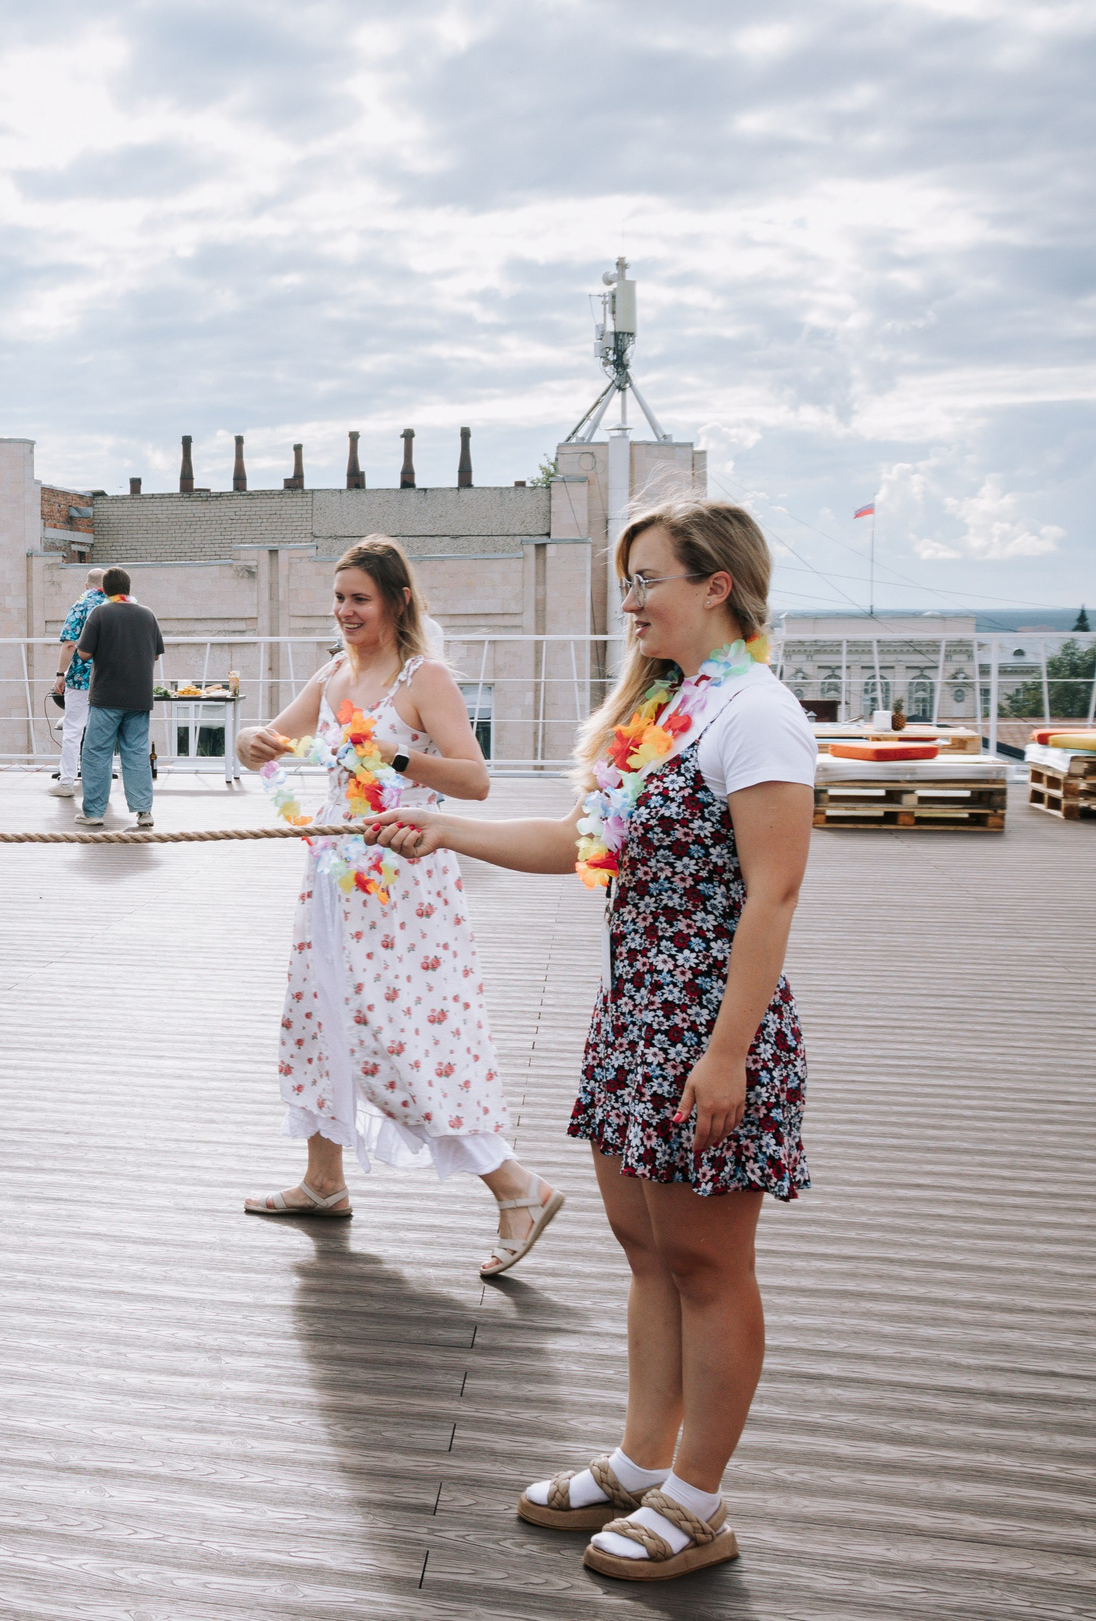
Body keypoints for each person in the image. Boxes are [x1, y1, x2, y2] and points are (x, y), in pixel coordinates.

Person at [367, 500, 812, 1583]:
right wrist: (444, 831)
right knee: (647, 1256)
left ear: (716, 586)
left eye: (647, 579)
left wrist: (725, 1052)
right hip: (630, 1017)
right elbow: (581, 842)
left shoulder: (754, 713)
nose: (628, 602)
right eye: (625, 580)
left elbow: (774, 893)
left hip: (709, 1022)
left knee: (708, 1266)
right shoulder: (663, 709)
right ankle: (637, 1462)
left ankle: (697, 1503)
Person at [238, 538, 561, 1274]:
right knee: (315, 1015)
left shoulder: (425, 678)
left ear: (397, 601)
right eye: (339, 597)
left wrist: (394, 758)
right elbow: (275, 743)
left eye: (360, 598)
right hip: (330, 875)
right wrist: (253, 740)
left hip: (401, 886)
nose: (345, 611)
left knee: (392, 1032)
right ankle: (324, 1181)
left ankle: (517, 1185)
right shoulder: (332, 673)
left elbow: (476, 782)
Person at [72, 567, 165, 828]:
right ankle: (144, 812)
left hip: (107, 695)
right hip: (139, 696)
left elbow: (84, 654)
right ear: (128, 588)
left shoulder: (99, 613)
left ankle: (93, 812)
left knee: (96, 752)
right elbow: (156, 654)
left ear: (105, 590)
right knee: (136, 752)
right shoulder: (148, 614)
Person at [48, 568, 107, 798]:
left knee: (73, 729)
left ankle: (67, 783)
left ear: (86, 586)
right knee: (103, 732)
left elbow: (70, 644)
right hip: (108, 677)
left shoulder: (80, 605)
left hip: (82, 678)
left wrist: (60, 673)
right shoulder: (115, 606)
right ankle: (99, 784)